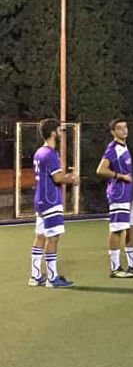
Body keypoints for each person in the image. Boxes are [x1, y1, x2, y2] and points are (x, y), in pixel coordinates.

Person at [96, 117, 133, 278]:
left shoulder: (124, 146)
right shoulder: (113, 149)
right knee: (117, 229)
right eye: (119, 128)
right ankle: (115, 268)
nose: (124, 130)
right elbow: (101, 169)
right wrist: (120, 176)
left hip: (128, 194)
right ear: (113, 132)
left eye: (125, 127)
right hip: (118, 194)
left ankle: (132, 264)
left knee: (132, 227)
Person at [29, 118, 78, 288]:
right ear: (52, 133)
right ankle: (52, 278)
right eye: (58, 130)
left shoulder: (39, 152)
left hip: (40, 199)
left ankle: (35, 276)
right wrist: (71, 179)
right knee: (53, 238)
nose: (61, 133)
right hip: (51, 200)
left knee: (40, 236)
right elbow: (57, 178)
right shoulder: (50, 154)